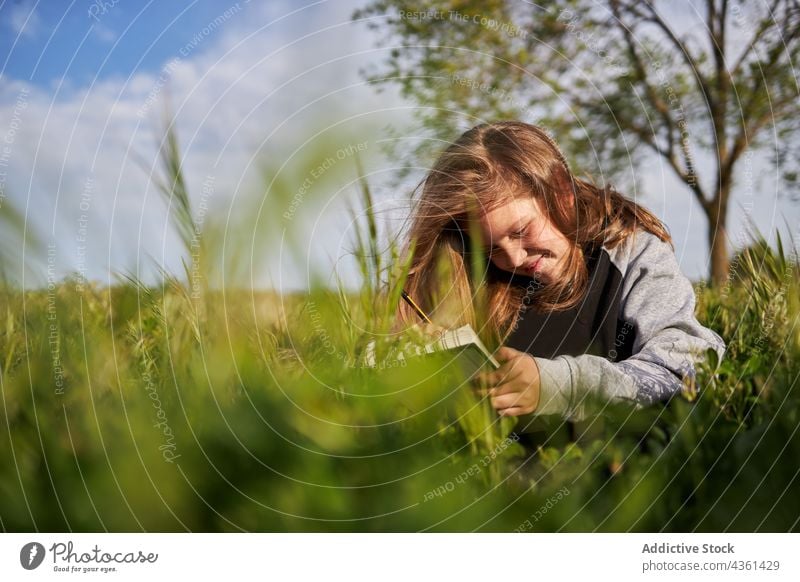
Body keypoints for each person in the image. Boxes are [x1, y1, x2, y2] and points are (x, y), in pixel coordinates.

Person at [395, 120, 726, 445]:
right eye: (492, 248)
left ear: (561, 194)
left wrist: (556, 385)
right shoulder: (475, 277)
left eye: (521, 231)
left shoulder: (631, 256)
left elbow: (684, 368)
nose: (513, 258)